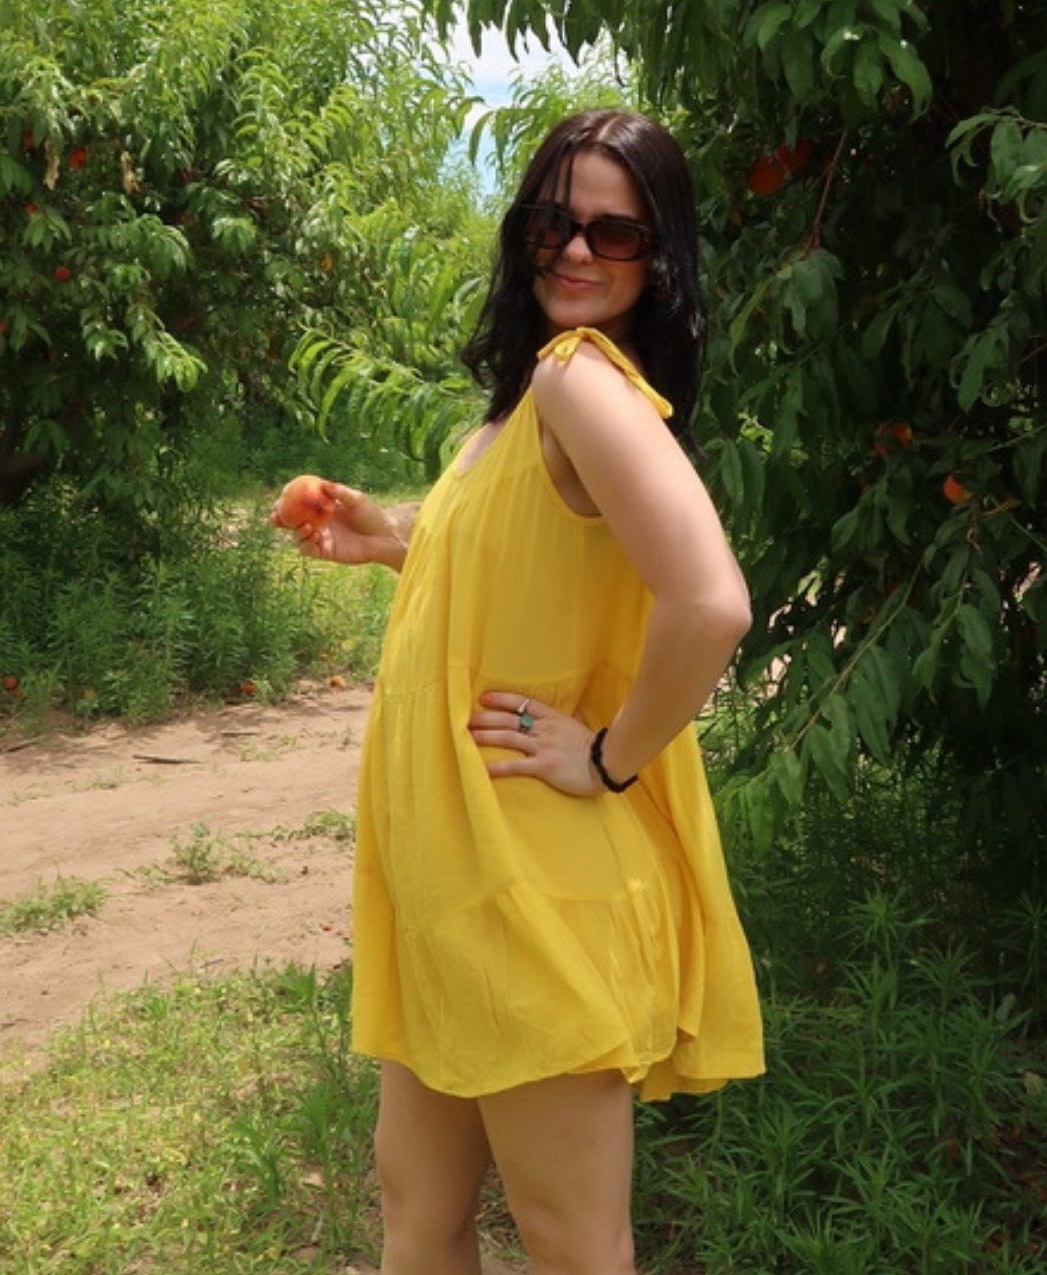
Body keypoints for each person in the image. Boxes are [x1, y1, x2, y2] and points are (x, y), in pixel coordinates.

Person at [279, 108, 763, 1275]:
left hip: (533, 882)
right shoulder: (509, 413)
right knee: (419, 1214)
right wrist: (395, 541)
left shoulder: (578, 382)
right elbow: (517, 575)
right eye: (555, 221)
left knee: (570, 1245)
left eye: (617, 232)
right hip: (457, 883)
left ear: (662, 258)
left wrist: (607, 757)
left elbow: (711, 604)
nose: (579, 251)